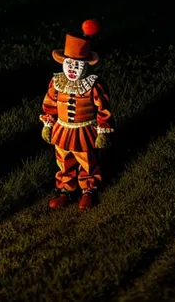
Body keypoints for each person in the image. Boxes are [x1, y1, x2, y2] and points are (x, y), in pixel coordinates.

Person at [40, 19, 115, 210]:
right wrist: (48, 124)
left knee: (86, 160)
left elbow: (103, 109)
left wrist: (103, 131)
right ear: (64, 63)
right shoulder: (56, 83)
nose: (72, 69)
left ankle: (88, 190)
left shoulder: (93, 85)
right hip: (62, 130)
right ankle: (66, 190)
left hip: (84, 130)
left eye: (77, 65)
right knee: (64, 160)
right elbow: (50, 105)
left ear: (86, 66)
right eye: (69, 64)